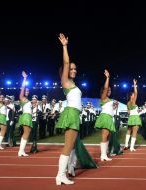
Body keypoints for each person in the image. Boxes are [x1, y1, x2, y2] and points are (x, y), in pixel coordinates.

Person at [55, 33, 97, 185]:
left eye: (75, 69)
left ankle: (68, 170)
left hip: (75, 114)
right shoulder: (65, 81)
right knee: (68, 146)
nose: (73, 70)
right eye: (71, 68)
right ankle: (60, 175)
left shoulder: (72, 83)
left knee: (71, 145)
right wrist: (65, 46)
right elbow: (66, 63)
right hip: (71, 113)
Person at [95, 69, 116, 161]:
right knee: (104, 135)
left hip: (109, 117)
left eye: (110, 90)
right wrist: (107, 78)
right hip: (105, 117)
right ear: (103, 91)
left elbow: (111, 109)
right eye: (108, 90)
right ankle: (103, 155)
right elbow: (106, 88)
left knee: (107, 136)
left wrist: (114, 106)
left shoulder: (108, 99)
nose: (109, 91)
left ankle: (104, 154)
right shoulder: (103, 97)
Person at [18, 71, 33, 156]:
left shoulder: (26, 99)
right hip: (26, 116)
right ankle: (21, 151)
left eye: (28, 91)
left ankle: (21, 150)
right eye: (26, 91)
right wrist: (25, 78)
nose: (27, 91)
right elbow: (23, 87)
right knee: (26, 133)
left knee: (26, 132)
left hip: (27, 116)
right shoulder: (22, 98)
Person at [124, 79, 142, 151]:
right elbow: (136, 92)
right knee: (134, 132)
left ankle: (126, 145)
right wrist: (134, 85)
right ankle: (131, 147)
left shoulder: (128, 103)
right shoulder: (133, 101)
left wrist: (135, 111)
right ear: (131, 96)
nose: (134, 95)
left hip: (131, 117)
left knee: (128, 131)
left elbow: (128, 112)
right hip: (135, 118)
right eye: (133, 95)